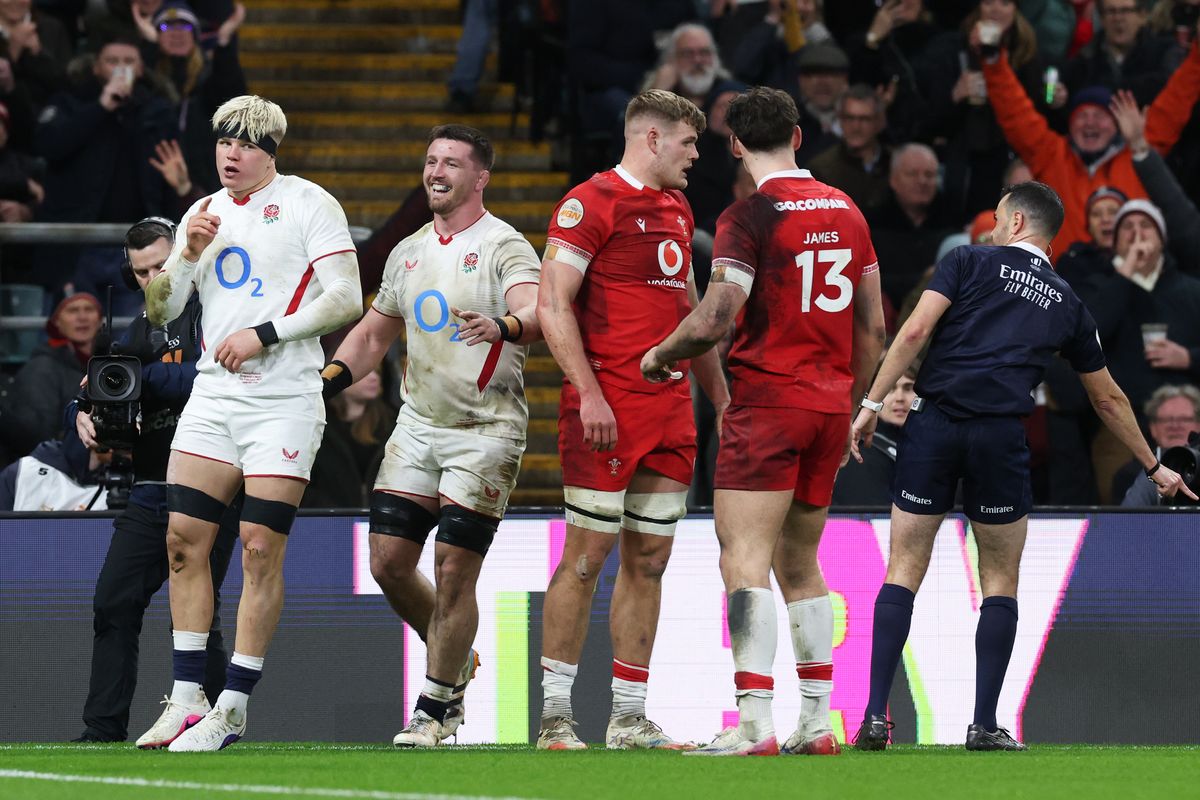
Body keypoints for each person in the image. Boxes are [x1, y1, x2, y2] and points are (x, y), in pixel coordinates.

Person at [849, 181, 1194, 753]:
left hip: (934, 426)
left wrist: (870, 404)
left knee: (904, 566)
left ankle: (873, 719)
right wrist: (1154, 466)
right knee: (1000, 580)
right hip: (1001, 436)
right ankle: (984, 724)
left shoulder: (965, 260)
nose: (989, 227)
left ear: (1012, 222)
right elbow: (1107, 398)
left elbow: (914, 330)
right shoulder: (1068, 302)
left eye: (995, 218)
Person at [640, 85, 886, 756]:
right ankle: (815, 723)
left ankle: (754, 725)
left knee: (744, 558)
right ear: (800, 137)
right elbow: (874, 325)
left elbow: (718, 315)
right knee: (801, 561)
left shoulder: (748, 216)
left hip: (769, 404)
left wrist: (661, 354)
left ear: (738, 146)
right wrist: (857, 404)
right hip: (830, 408)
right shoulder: (848, 210)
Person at [135, 94, 362, 751]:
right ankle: (185, 699)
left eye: (247, 144)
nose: (231, 154)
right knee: (183, 540)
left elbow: (346, 296)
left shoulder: (307, 203)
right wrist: (185, 254)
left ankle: (232, 707)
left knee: (260, 548)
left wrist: (266, 334)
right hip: (214, 395)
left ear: (271, 152)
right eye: (224, 142)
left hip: (284, 399)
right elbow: (160, 311)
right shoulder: (199, 213)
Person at [321, 124, 541, 747]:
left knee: (452, 573)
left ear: (480, 177)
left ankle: (437, 708)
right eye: (430, 160)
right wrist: (328, 380)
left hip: (485, 429)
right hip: (418, 425)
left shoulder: (506, 245)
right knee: (389, 563)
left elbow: (538, 310)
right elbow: (372, 334)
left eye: (451, 162)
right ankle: (457, 655)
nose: (436, 170)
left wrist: (504, 325)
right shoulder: (409, 250)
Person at [536, 89, 729, 751]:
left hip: (672, 413)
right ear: (650, 138)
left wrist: (723, 402)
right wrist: (587, 393)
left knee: (650, 560)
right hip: (607, 413)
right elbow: (552, 304)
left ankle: (629, 718)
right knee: (587, 558)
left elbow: (691, 307)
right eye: (688, 143)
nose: (696, 156)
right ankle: (556, 718)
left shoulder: (676, 206)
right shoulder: (588, 202)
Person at [69, 217, 239, 743]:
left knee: (195, 617)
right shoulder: (140, 327)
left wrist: (143, 381)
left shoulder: (220, 307)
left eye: (160, 267)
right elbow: (106, 380)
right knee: (113, 601)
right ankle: (102, 730)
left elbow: (215, 373)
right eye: (140, 272)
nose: (150, 279)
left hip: (214, 485)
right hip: (150, 485)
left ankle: (211, 725)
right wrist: (82, 411)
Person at [0, 293, 102, 459]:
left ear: (99, 320)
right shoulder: (41, 368)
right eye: (73, 310)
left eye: (89, 309)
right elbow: (36, 435)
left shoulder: (111, 363)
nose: (82, 317)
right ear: (56, 323)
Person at [832, 361, 918, 506]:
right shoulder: (860, 452)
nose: (899, 398)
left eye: (908, 388)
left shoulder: (934, 445)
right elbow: (868, 517)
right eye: (890, 389)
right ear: (873, 397)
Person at [1118, 384, 1200, 505]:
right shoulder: (1128, 474)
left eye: (1184, 419)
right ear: (1153, 428)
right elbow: (1123, 521)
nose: (1175, 426)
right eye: (1166, 420)